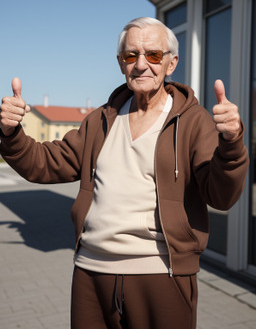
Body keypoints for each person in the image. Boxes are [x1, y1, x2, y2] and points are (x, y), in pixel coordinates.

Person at [0, 17, 249, 329]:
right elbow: (46, 163)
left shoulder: (194, 121)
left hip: (163, 276)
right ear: (121, 63)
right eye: (131, 55)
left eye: (153, 55)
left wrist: (231, 142)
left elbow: (221, 195)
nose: (141, 64)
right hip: (90, 273)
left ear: (171, 63)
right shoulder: (98, 121)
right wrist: (11, 135)